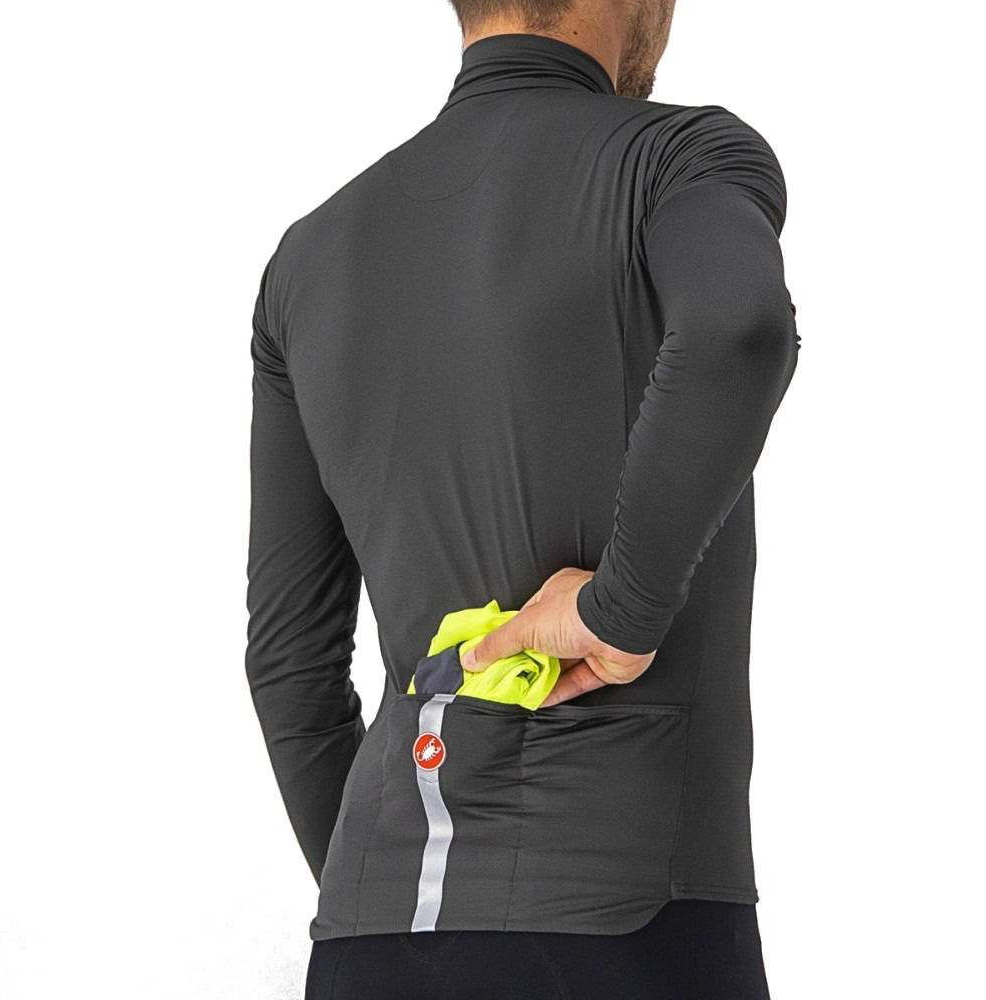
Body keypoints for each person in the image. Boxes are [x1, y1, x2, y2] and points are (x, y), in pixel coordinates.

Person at [245, 0, 800, 996]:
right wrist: (619, 612)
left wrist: (398, 899)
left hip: (370, 944)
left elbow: (287, 665)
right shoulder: (680, 157)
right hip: (626, 925)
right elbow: (739, 327)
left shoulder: (306, 258)